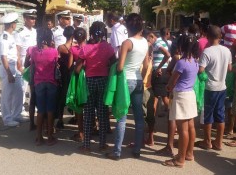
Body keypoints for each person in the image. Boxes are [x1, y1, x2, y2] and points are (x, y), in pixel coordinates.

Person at [105, 13, 149, 160]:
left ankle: (117, 151)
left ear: (128, 26)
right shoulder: (145, 42)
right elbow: (147, 65)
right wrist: (141, 77)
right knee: (138, 117)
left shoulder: (127, 43)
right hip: (138, 80)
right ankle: (137, 149)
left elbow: (120, 66)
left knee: (121, 116)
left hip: (126, 81)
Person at [75, 21, 115, 153]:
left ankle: (86, 145)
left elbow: (77, 69)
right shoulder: (108, 47)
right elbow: (113, 64)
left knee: (89, 113)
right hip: (103, 81)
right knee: (103, 114)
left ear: (91, 33)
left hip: (89, 82)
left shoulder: (85, 48)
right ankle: (102, 144)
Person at [162, 35, 199, 168]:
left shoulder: (181, 62)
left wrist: (168, 87)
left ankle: (180, 159)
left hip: (181, 95)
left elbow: (172, 81)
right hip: (190, 94)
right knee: (191, 126)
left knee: (182, 129)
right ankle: (189, 153)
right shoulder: (195, 61)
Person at [196, 25, 232, 150]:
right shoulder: (227, 50)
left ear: (207, 37)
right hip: (222, 87)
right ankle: (218, 142)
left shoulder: (207, 51)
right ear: (220, 36)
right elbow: (230, 68)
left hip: (210, 88)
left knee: (208, 116)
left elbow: (200, 70)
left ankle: (207, 142)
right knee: (220, 115)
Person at [30, 28, 59, 146]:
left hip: (38, 83)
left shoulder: (34, 51)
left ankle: (38, 137)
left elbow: (32, 66)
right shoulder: (54, 51)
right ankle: (50, 137)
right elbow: (56, 63)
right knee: (50, 110)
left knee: (41, 110)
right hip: (51, 82)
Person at [0, 12, 24, 127]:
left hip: (14, 67)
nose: (15, 25)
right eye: (15, 23)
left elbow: (15, 53)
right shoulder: (4, 37)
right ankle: (7, 118)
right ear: (12, 24)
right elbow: (4, 56)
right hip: (7, 67)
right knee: (7, 95)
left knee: (19, 91)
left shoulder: (11, 36)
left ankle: (16, 115)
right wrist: (9, 73)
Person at [151, 27, 174, 156]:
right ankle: (172, 119)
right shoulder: (169, 42)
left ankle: (152, 126)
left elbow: (167, 55)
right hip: (167, 72)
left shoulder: (158, 42)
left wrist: (159, 67)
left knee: (156, 98)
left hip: (159, 72)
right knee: (164, 97)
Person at [14, 9, 37, 117]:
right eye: (31, 18)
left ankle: (34, 105)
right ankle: (20, 109)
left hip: (34, 60)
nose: (33, 20)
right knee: (23, 87)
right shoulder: (20, 32)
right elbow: (17, 49)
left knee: (34, 85)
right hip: (24, 60)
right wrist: (19, 64)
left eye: (34, 18)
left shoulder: (35, 31)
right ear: (25, 19)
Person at [68, 27, 87, 142]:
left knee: (79, 105)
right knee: (89, 104)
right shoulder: (89, 48)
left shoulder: (73, 49)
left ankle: (81, 132)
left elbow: (70, 66)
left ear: (74, 37)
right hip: (89, 76)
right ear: (85, 37)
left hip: (77, 77)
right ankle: (92, 127)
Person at [56, 26, 75, 129]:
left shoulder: (61, 48)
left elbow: (57, 61)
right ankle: (76, 118)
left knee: (62, 97)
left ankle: (60, 120)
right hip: (73, 74)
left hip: (63, 75)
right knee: (74, 95)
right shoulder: (75, 47)